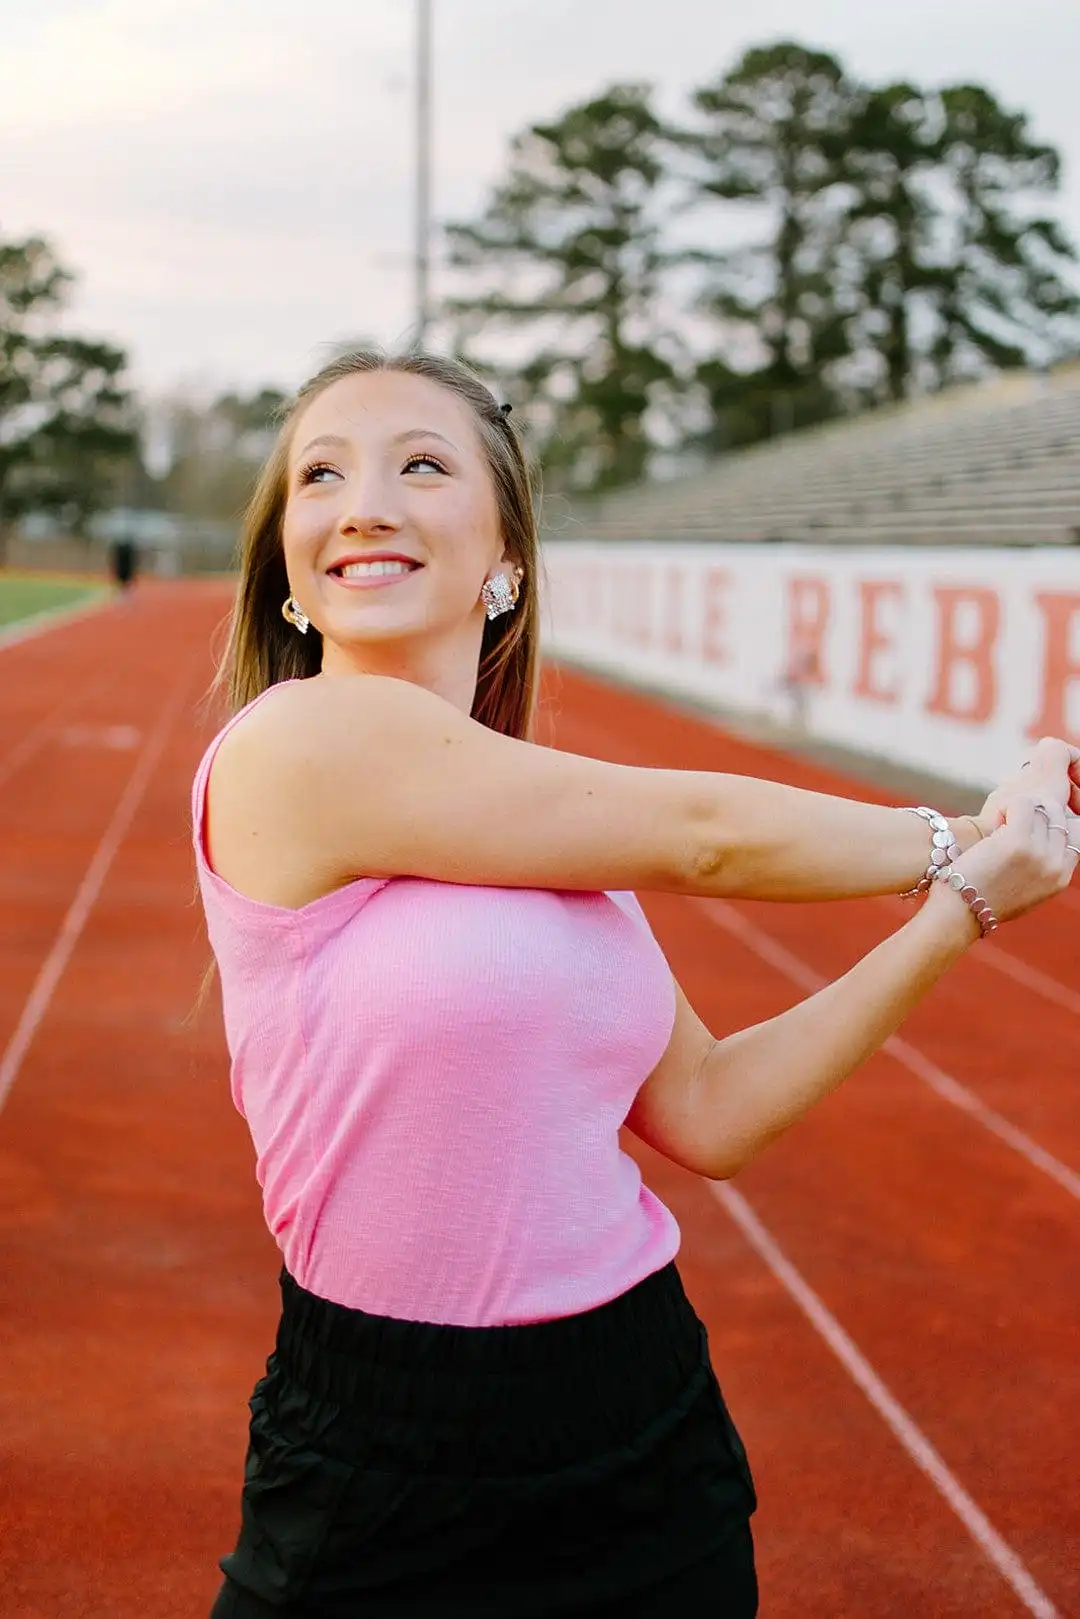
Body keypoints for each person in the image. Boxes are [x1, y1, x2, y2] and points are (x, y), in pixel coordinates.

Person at [193, 349, 1079, 1619]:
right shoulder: (292, 745)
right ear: (289, 567)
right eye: (320, 474)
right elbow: (704, 834)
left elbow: (711, 1109)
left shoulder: (554, 851)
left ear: (507, 558)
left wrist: (964, 909)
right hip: (385, 1447)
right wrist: (959, 835)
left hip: (636, 1416)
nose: (365, 501)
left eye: (421, 464)